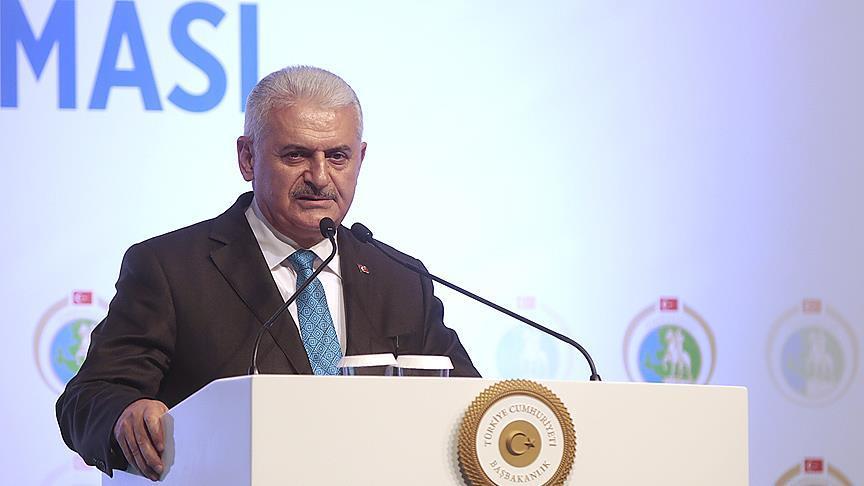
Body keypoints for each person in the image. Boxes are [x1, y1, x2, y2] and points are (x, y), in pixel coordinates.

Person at [56, 65, 480, 480]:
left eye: (337, 156)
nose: (320, 177)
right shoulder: (171, 268)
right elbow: (89, 397)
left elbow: (470, 406)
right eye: (296, 155)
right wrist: (123, 416)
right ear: (248, 158)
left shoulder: (400, 279)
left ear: (360, 159)